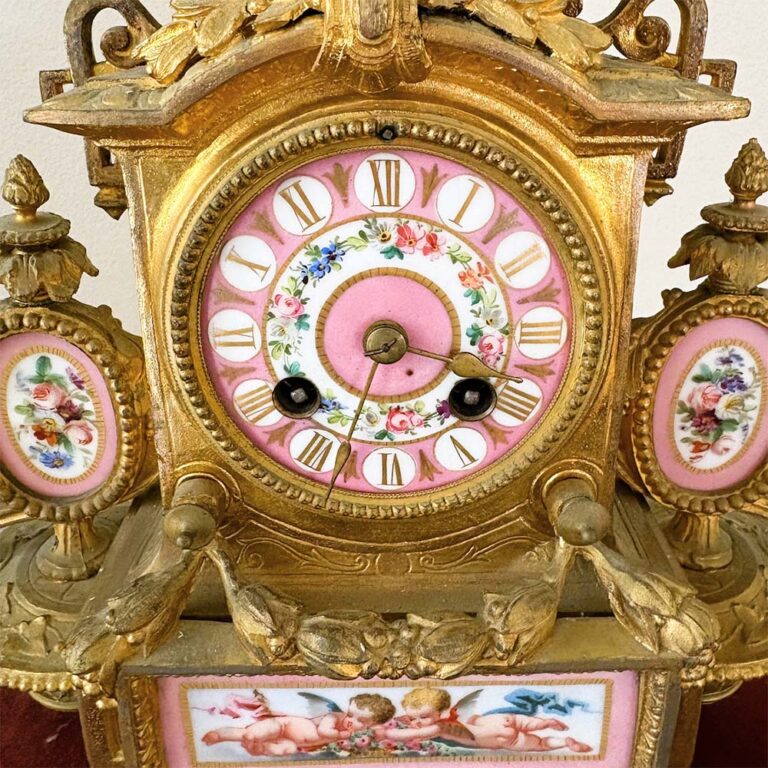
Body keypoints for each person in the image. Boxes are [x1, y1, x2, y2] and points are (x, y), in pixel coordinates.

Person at [202, 693, 396, 756]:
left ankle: (258, 748)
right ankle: (220, 735)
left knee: (287, 749)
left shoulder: (356, 731)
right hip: (284, 726)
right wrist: (340, 735)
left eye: (360, 721)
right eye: (351, 714)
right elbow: (323, 731)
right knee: (253, 733)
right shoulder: (335, 717)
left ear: (370, 724)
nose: (351, 720)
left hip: (293, 741)